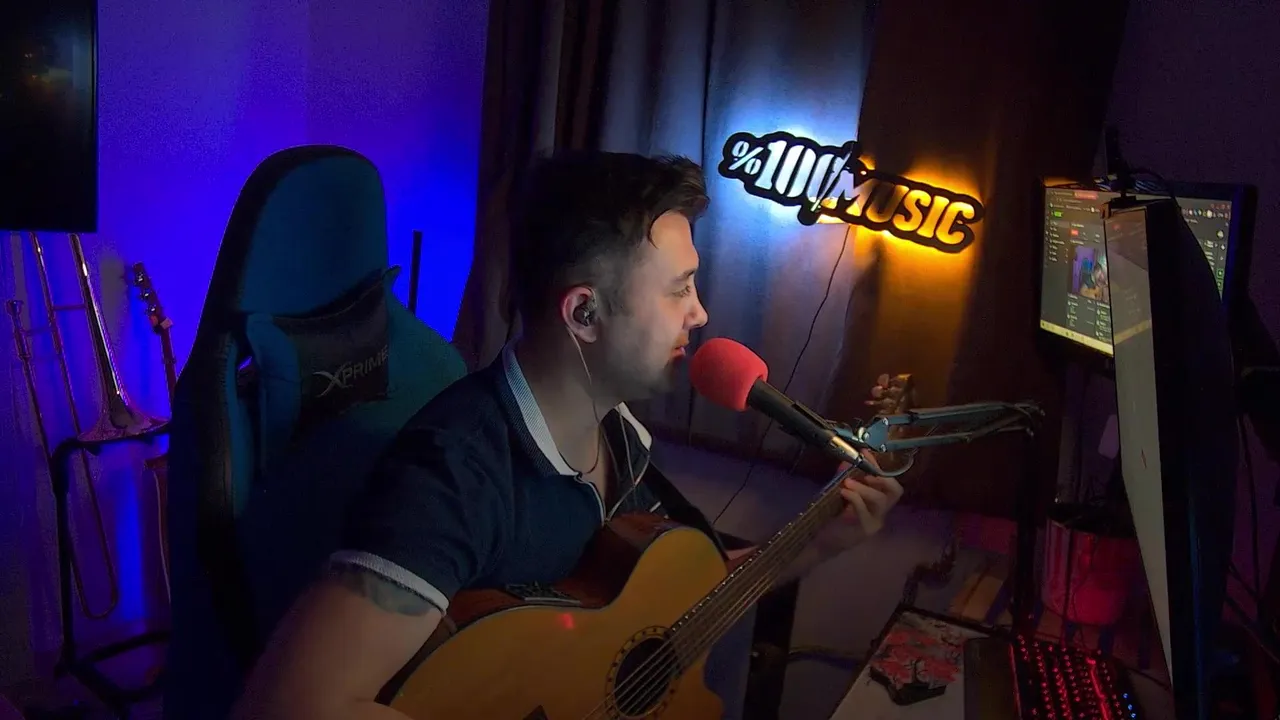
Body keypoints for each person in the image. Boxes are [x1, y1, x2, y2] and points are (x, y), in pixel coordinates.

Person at [231, 151, 904, 720]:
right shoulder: (454, 477)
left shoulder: (620, 438)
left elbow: (659, 604)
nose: (700, 314)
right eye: (679, 290)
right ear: (585, 313)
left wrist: (819, 541)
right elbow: (288, 706)